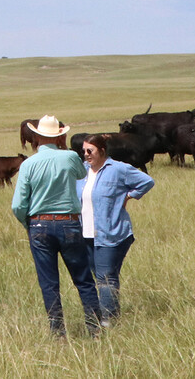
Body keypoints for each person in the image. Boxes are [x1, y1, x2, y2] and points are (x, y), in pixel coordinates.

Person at [12, 115, 103, 338]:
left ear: (36, 136)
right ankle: (95, 329)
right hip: (68, 223)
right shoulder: (70, 157)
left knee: (49, 283)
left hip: (39, 224)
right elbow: (82, 173)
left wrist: (29, 223)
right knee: (83, 280)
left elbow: (18, 205)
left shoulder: (28, 164)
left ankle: (58, 332)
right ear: (60, 136)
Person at [78, 133, 155, 324]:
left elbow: (147, 182)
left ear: (102, 151)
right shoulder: (82, 171)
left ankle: (107, 322)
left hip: (111, 232)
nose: (86, 155)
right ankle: (110, 315)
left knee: (105, 278)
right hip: (86, 233)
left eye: (90, 151)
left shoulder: (118, 169)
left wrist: (128, 196)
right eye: (84, 151)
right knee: (101, 278)